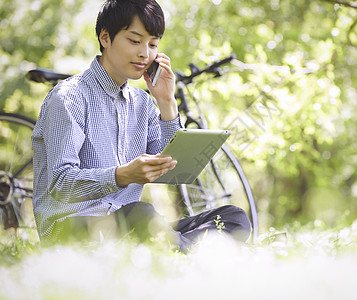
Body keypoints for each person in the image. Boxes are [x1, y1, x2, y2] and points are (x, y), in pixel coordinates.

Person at [31, 0, 251, 251]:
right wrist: (123, 175)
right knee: (143, 214)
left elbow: (171, 171)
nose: (144, 53)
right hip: (71, 228)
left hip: (130, 223)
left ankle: (178, 245)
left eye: (153, 44)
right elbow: (61, 183)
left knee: (233, 217)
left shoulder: (143, 103)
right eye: (135, 41)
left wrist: (167, 101)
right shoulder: (69, 97)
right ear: (105, 37)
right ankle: (197, 250)